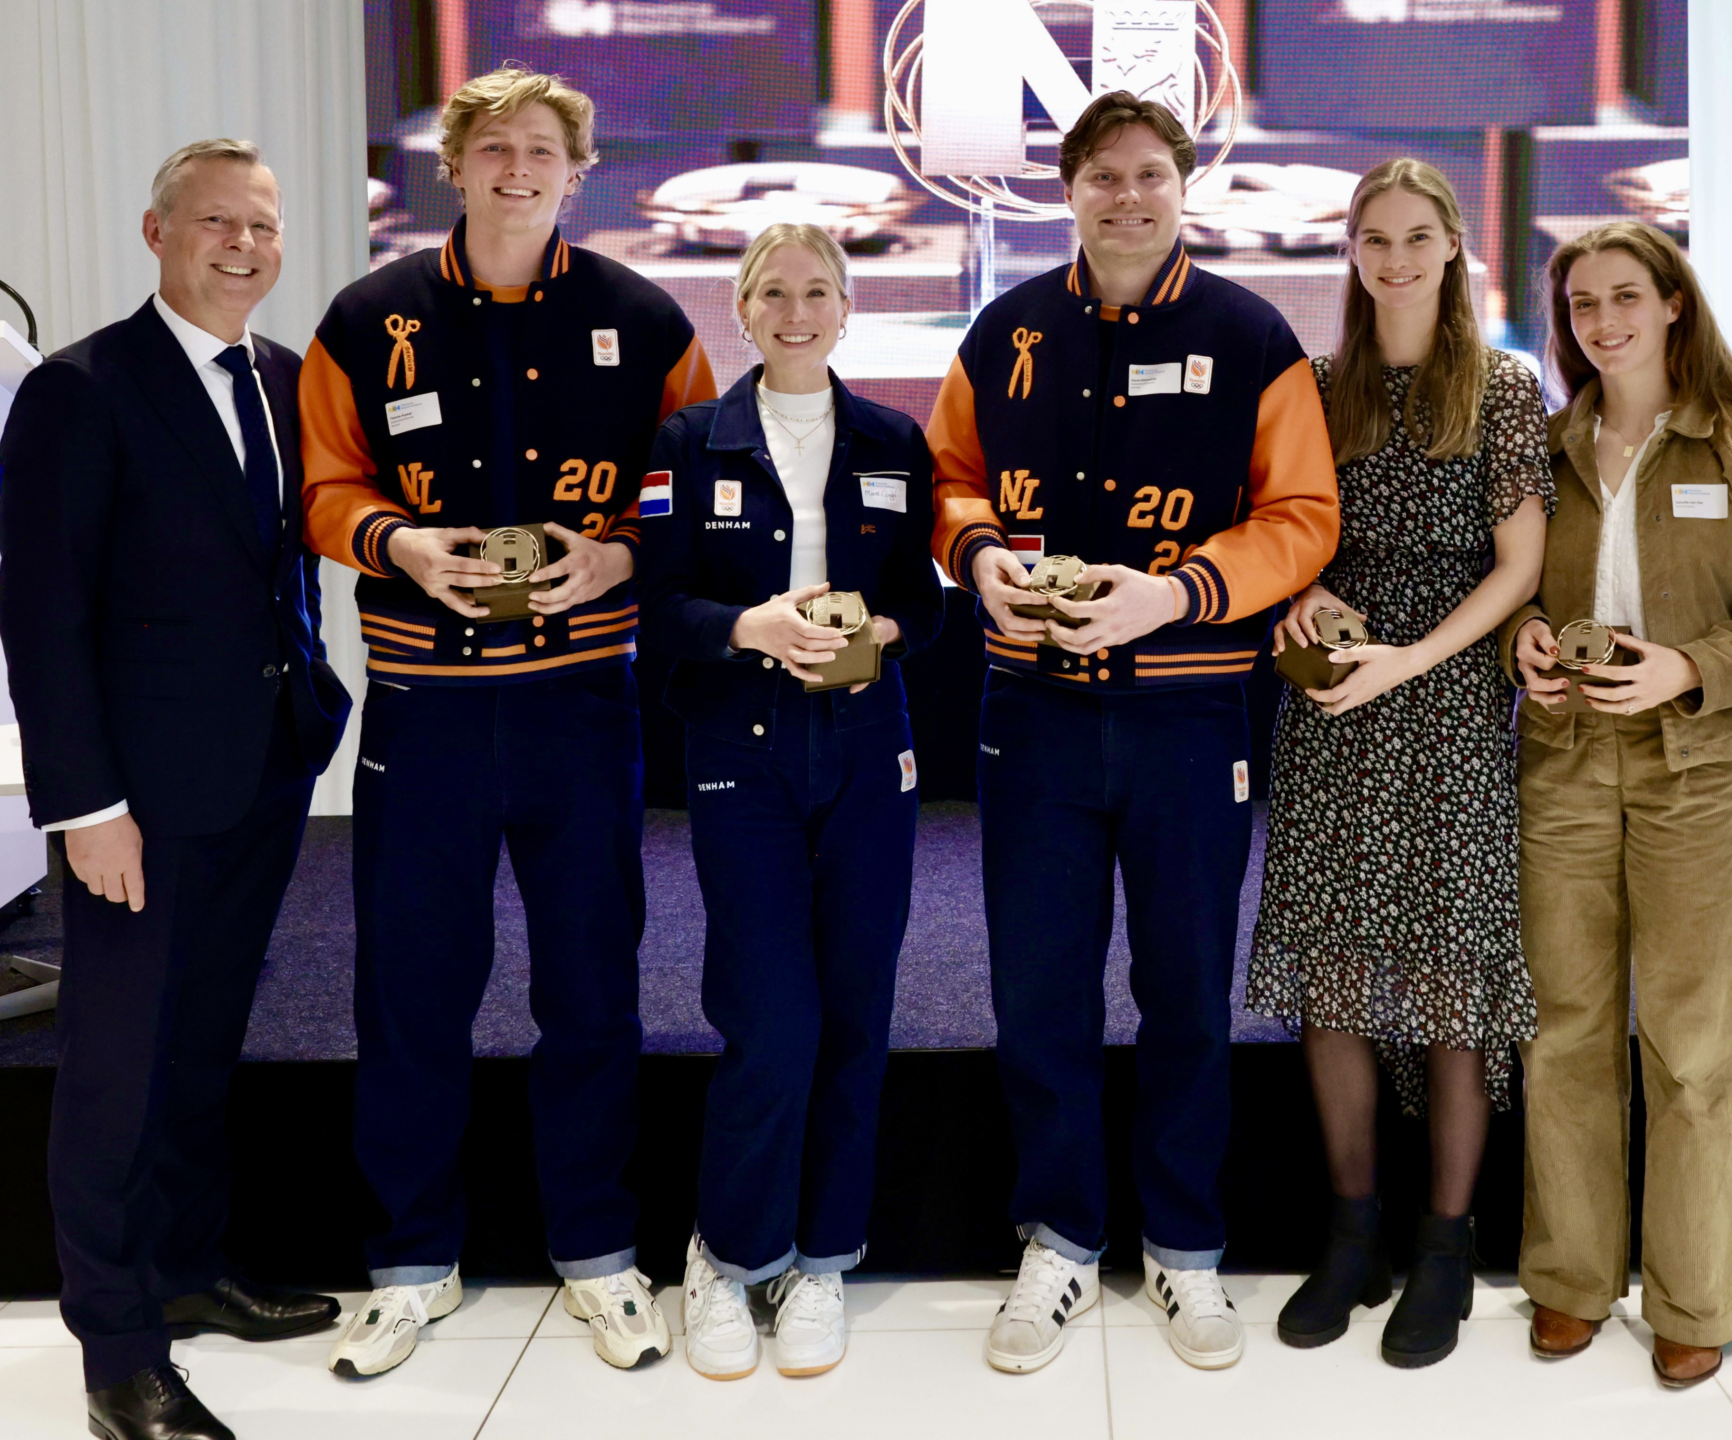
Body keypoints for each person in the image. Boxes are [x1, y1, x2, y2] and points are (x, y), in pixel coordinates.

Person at [298, 63, 715, 1377]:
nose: (519, 171)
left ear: (578, 171)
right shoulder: (368, 317)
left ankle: (597, 1248)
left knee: (590, 988)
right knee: (411, 990)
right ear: (456, 164)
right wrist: (404, 547)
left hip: (581, 708)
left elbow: (689, 483)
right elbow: (322, 487)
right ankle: (412, 1259)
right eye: (496, 149)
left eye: (544, 151)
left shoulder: (643, 316)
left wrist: (617, 562)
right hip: (423, 710)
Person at [926, 90, 1338, 1374]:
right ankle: (1057, 1238)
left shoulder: (1249, 332)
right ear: (1068, 190)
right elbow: (949, 483)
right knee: (1039, 991)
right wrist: (978, 557)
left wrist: (1176, 591)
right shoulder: (1005, 332)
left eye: (1150, 173)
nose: (1127, 195)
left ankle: (1184, 1248)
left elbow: (1304, 515)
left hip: (1185, 710)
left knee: (1182, 996)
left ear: (1183, 185)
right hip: (1031, 714)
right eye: (1102, 175)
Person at [0, 137, 355, 1440]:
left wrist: (306, 712)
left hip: (258, 778)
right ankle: (118, 1353)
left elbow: (285, 574)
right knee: (115, 1070)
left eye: (260, 224)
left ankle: (193, 1273)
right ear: (157, 233)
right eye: (214, 223)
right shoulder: (81, 389)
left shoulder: (284, 376)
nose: (243, 245)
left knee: (202, 1047)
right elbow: (41, 617)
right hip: (135, 809)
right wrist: (86, 809)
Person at [1506, 219, 1732, 1388]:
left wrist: (1683, 668)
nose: (1604, 321)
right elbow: (1507, 598)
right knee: (1565, 1035)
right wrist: (1524, 645)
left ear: (1673, 303)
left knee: (1694, 1044)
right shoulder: (1542, 449)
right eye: (1584, 304)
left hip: (1696, 770)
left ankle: (1696, 1291)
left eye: (1626, 296)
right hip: (1565, 763)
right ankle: (1571, 1280)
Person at [1246, 157, 1550, 1369]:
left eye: (1416, 235)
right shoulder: (1315, 387)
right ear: (1352, 251)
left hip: (1449, 700)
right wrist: (1306, 593)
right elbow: (1281, 534)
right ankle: (1352, 1233)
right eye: (1373, 237)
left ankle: (1445, 1246)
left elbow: (1520, 568)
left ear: (1453, 245)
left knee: (1446, 982)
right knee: (1329, 975)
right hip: (1331, 705)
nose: (1394, 256)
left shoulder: (1506, 386)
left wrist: (1412, 661)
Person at [637, 222, 942, 1379]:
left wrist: (894, 626)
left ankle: (824, 1256)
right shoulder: (689, 440)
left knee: (857, 1013)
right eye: (775, 293)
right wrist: (746, 628)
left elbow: (928, 598)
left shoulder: (892, 441)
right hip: (742, 756)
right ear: (743, 308)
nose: (797, 311)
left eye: (819, 291)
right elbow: (659, 608)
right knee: (769, 1017)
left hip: (868, 752)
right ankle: (732, 1251)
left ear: (848, 307)